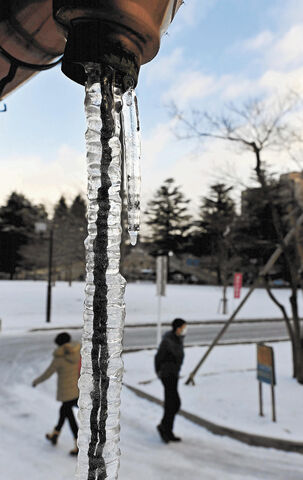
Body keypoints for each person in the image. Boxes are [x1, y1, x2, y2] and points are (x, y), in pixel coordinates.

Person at [32, 332, 81, 456]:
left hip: (67, 392)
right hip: (77, 389)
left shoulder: (59, 358)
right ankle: (55, 434)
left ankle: (78, 444)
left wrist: (36, 381)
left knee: (68, 416)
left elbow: (48, 373)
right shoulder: (78, 352)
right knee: (64, 411)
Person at [155, 318, 187, 443]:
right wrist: (159, 372)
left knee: (173, 403)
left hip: (174, 374)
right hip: (167, 375)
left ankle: (167, 429)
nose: (184, 330)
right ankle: (164, 429)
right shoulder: (168, 341)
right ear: (177, 328)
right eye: (183, 327)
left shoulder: (178, 339)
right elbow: (158, 357)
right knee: (173, 403)